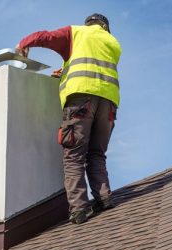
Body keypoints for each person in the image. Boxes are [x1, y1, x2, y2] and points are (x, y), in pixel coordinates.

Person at [15, 13, 121, 224]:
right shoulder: (112, 42)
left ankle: (79, 209)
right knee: (97, 153)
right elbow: (93, 67)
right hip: (108, 104)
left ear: (88, 24)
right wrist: (65, 71)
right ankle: (104, 198)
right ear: (105, 27)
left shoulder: (77, 33)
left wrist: (23, 43)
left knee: (74, 155)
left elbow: (45, 36)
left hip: (81, 100)